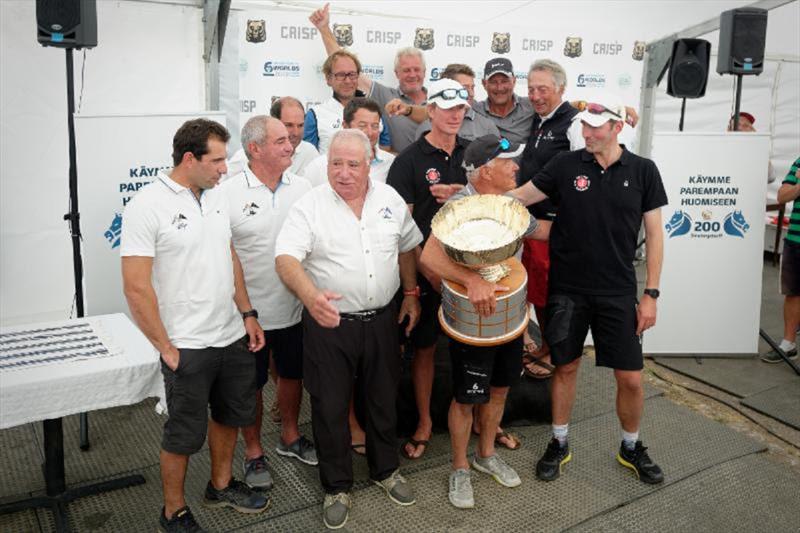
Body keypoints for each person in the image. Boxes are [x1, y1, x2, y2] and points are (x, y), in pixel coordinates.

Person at [511, 93, 668, 485]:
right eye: (584, 126)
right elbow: (521, 198)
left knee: (631, 378)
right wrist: (473, 197)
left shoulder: (644, 170)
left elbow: (655, 234)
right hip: (568, 290)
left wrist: (651, 294)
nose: (587, 134)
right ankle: (559, 441)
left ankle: (630, 445)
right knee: (565, 367)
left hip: (617, 292)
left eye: (596, 128)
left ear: (617, 127)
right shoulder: (565, 164)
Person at [121, 119, 269, 532]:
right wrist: (166, 347)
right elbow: (135, 286)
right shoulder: (146, 205)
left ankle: (220, 486)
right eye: (218, 160)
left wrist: (247, 313)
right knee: (184, 435)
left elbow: (230, 256)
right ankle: (173, 511)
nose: (226, 169)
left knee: (230, 416)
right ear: (190, 159)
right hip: (186, 344)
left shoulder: (218, 197)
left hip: (231, 336)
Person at [275, 129, 422, 530]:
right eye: (335, 163)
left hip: (382, 322)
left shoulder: (390, 200)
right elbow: (286, 258)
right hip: (330, 324)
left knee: (382, 399)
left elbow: (408, 245)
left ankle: (386, 470)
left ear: (370, 162)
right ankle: (337, 486)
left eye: (352, 164)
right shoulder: (310, 206)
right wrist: (311, 297)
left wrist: (410, 293)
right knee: (329, 406)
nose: (342, 173)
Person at [420, 135, 550, 508]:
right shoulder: (460, 206)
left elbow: (538, 230)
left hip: (508, 319)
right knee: (465, 398)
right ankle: (460, 467)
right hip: (472, 323)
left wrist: (594, 227)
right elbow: (429, 256)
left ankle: (486, 454)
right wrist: (471, 279)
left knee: (500, 390)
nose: (516, 168)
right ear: (486, 170)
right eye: (509, 162)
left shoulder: (509, 204)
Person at [220, 116, 317, 494]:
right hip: (249, 316)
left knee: (292, 375)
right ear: (254, 148)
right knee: (251, 385)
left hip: (294, 308)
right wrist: (245, 312)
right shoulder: (227, 193)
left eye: (290, 138)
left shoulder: (303, 187)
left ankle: (290, 437)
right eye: (280, 140)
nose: (290, 144)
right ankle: (254, 450)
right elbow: (226, 257)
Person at [386, 77, 469, 460]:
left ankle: (485, 420)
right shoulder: (407, 162)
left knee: (476, 349)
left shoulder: (473, 154)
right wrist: (430, 273)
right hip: (427, 272)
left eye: (460, 109)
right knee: (424, 349)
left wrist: (460, 193)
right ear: (430, 110)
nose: (454, 115)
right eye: (446, 108)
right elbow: (403, 232)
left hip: (471, 270)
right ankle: (423, 422)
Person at [517, 59, 586, 380]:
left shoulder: (574, 122)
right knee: (540, 294)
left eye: (542, 89)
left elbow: (586, 177)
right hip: (531, 224)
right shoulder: (540, 120)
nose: (535, 95)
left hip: (556, 227)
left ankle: (559, 353)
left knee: (555, 295)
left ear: (561, 88)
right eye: (531, 89)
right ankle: (548, 345)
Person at [309, 3, 427, 153]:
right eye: (406, 70)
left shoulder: (441, 101)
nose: (412, 75)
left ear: (425, 72)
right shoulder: (386, 96)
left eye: (417, 69)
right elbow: (343, 64)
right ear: (396, 73)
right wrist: (324, 29)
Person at [304, 48, 391, 154]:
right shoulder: (315, 114)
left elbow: (385, 151)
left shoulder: (374, 110)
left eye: (352, 74)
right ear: (328, 79)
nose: (348, 81)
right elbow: (308, 155)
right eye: (340, 75)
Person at [303, 97, 395, 187]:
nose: (370, 132)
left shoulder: (391, 163)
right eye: (362, 126)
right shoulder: (319, 166)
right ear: (345, 126)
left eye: (375, 126)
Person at [761, 157, 800, 363]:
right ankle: (788, 344)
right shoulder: (799, 163)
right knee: (792, 292)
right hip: (796, 238)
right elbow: (782, 196)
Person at [226, 97, 319, 179]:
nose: (296, 132)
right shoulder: (246, 157)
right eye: (289, 125)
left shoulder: (310, 153)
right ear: (274, 121)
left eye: (300, 125)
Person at [414, 64, 501, 142]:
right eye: (465, 88)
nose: (471, 93)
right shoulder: (426, 128)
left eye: (472, 87)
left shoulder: (487, 127)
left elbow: (497, 159)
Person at [473, 57, 535, 145]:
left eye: (504, 81)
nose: (500, 88)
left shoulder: (531, 106)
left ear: (514, 81)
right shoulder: (474, 110)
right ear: (484, 84)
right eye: (493, 82)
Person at [726, 111, 777, 183]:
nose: (740, 128)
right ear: (728, 128)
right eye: (737, 125)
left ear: (751, 130)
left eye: (745, 126)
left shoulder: (754, 152)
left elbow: (771, 177)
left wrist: (757, 143)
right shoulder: (720, 148)